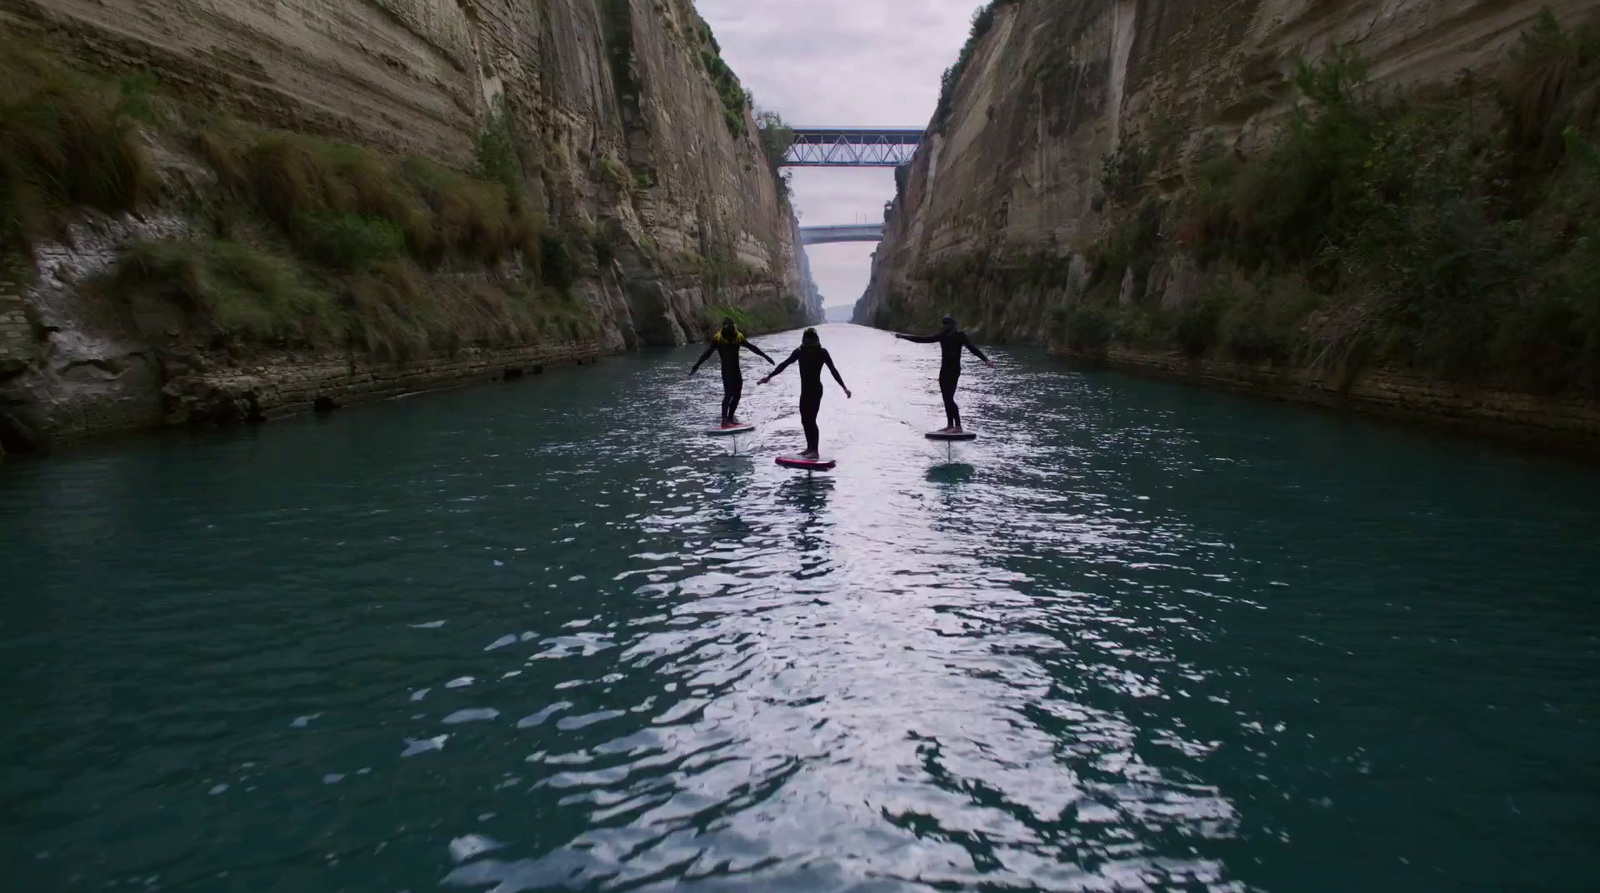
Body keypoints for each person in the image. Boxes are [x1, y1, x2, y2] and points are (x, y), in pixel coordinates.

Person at [760, 328, 852, 458]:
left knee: (811, 420)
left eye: (810, 339)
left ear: (815, 340)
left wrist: (844, 387)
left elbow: (833, 371)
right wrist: (770, 376)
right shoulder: (799, 352)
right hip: (805, 391)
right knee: (805, 420)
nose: (808, 342)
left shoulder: (822, 352)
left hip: (815, 390)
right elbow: (784, 364)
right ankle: (809, 448)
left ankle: (815, 451)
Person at [895, 314, 995, 433]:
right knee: (945, 397)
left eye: (947, 324)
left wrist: (986, 360)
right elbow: (923, 340)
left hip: (954, 370)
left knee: (949, 398)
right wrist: (903, 336)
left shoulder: (960, 336)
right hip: (944, 370)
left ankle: (958, 426)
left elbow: (973, 349)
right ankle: (949, 425)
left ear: (953, 325)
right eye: (944, 324)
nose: (945, 327)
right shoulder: (942, 336)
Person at [690, 318, 775, 427]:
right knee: (728, 394)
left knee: (737, 395)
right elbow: (707, 353)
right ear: (724, 328)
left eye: (731, 327)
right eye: (728, 328)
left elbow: (752, 348)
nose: (730, 330)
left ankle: (730, 419)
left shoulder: (738, 337)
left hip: (736, 370)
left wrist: (766, 356)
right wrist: (696, 366)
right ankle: (724, 421)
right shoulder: (718, 338)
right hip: (726, 370)